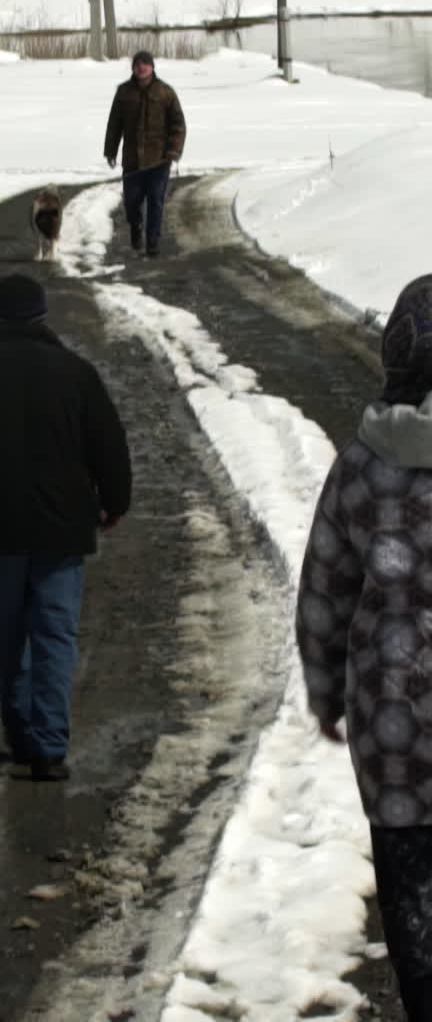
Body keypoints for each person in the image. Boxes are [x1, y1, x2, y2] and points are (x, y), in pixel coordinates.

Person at [0, 273, 132, 783]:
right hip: (61, 531)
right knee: (54, 633)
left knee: (9, 634)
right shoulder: (77, 374)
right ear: (42, 316)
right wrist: (114, 503)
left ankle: (20, 734)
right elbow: (109, 445)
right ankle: (48, 748)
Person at [296, 273, 432, 1022]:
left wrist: (325, 693)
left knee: (413, 909)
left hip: (393, 727)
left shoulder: (361, 464)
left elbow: (325, 592)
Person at [103, 49, 186, 258]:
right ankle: (136, 226)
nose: (141, 67)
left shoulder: (165, 92)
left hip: (159, 159)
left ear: (152, 67)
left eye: (145, 64)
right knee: (132, 202)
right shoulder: (123, 92)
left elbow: (178, 124)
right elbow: (114, 125)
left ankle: (153, 242)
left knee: (156, 201)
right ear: (133, 68)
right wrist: (110, 151)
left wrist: (174, 150)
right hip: (132, 160)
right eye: (138, 64)